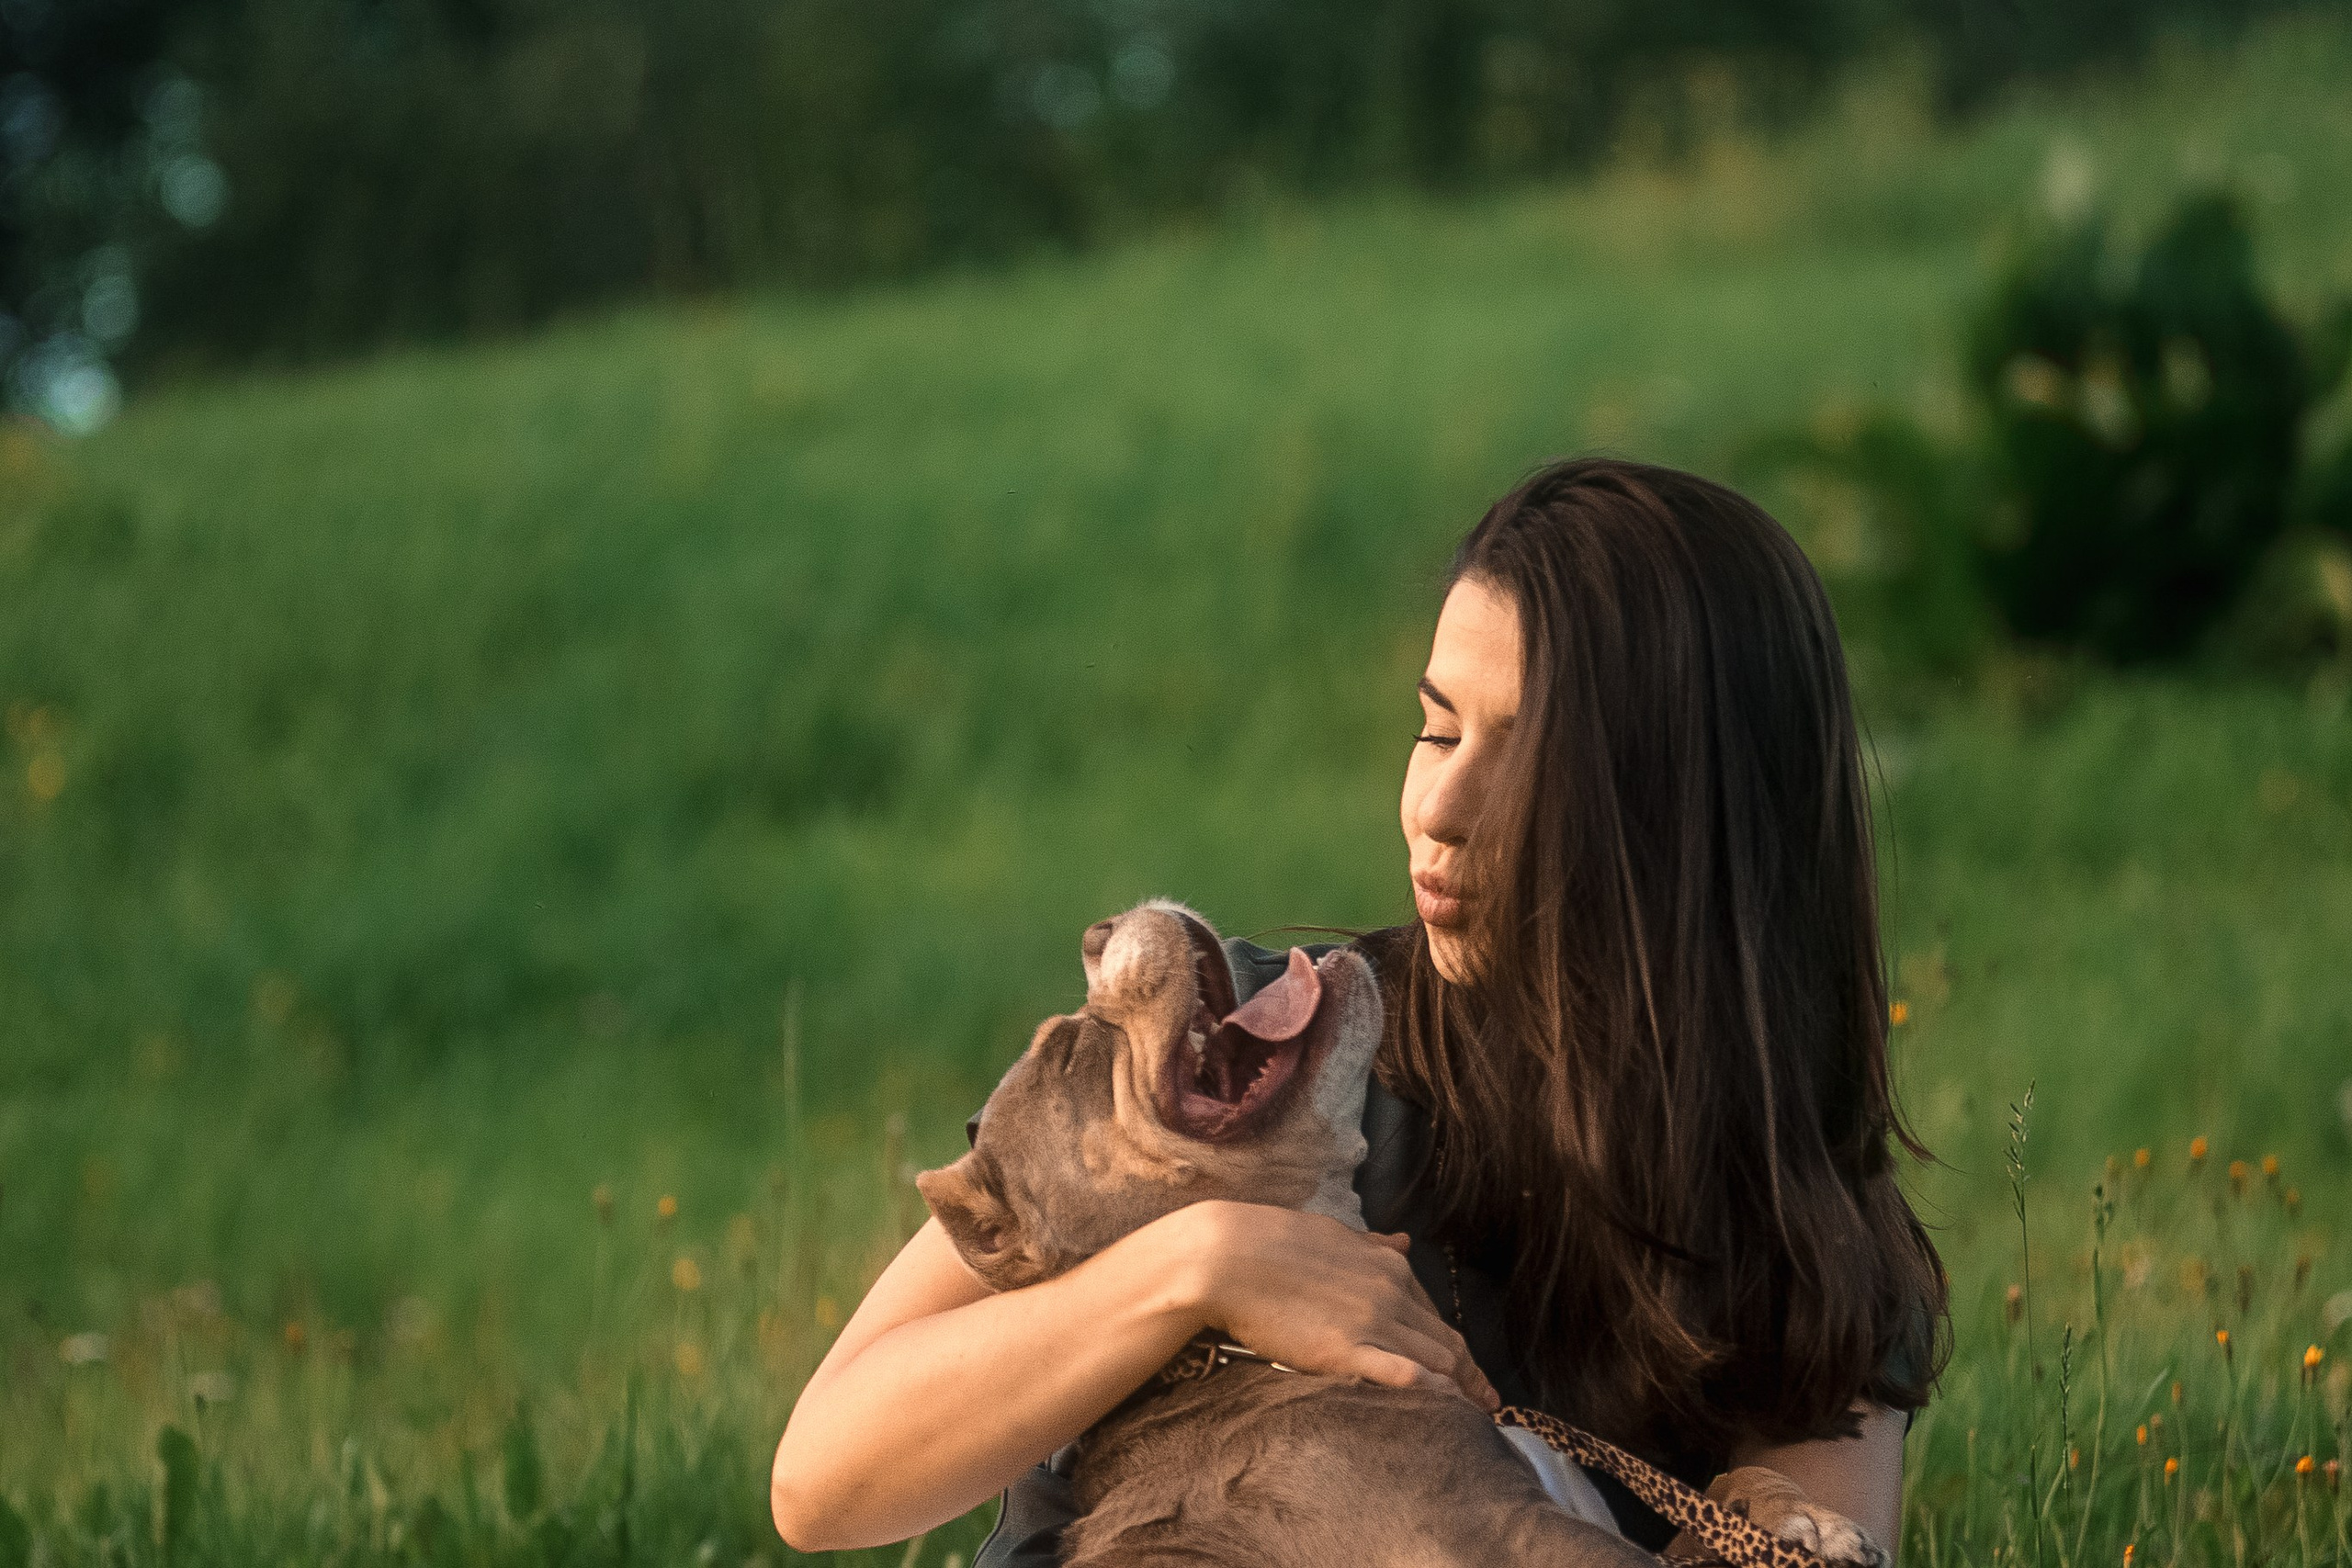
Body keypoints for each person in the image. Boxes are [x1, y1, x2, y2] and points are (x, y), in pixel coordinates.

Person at [769, 457, 1949, 1562]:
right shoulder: (1241, 1062)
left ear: (1682, 817)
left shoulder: (1802, 1237)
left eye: (1524, 760)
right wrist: (1207, 1260)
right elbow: (825, 1481)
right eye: (1433, 727)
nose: (1436, 806)